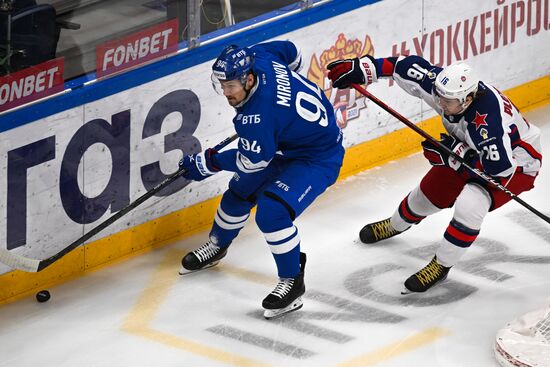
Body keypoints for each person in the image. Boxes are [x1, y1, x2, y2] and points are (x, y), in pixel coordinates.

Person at [327, 54, 542, 293]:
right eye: (439, 96)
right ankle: (395, 225)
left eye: (447, 100)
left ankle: (441, 266)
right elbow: (404, 66)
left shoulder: (488, 125)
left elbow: (499, 171)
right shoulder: (447, 92)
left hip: (517, 165)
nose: (440, 103)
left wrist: (457, 158)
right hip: (473, 152)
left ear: (468, 98)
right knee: (427, 194)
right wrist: (364, 68)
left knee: (470, 205)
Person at [178, 41, 344, 319]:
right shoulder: (260, 56)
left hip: (317, 157)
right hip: (285, 144)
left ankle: (292, 282)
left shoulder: (258, 117)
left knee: (272, 212)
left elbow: (251, 161)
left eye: (231, 86)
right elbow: (293, 51)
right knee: (239, 192)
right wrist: (286, 105)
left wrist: (208, 163)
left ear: (249, 78)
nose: (225, 92)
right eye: (222, 84)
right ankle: (218, 245)